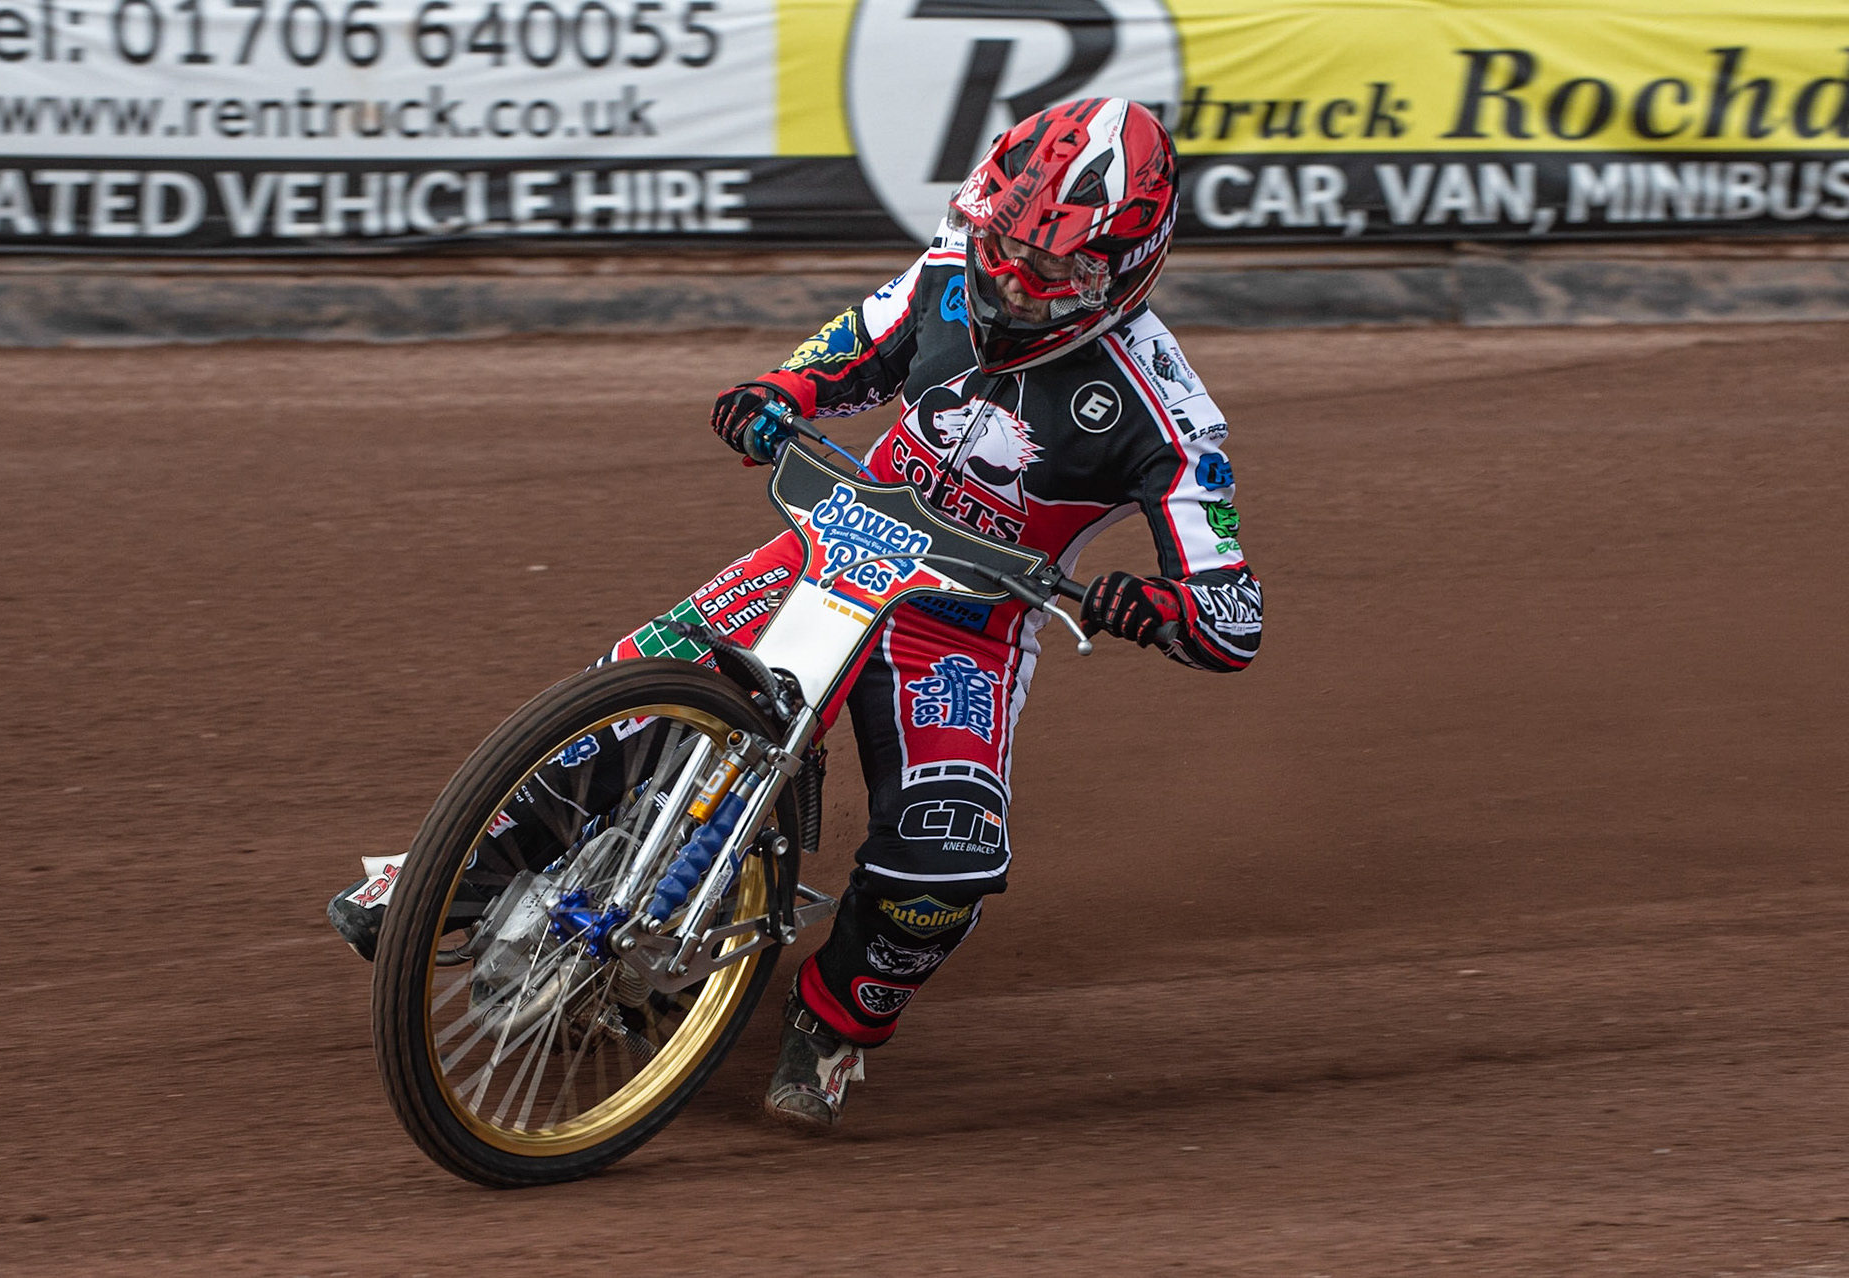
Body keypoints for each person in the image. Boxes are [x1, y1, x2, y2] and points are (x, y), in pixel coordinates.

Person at [330, 96, 1262, 1133]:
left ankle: (837, 1023)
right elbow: (860, 342)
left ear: (1126, 273)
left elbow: (1234, 613)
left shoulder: (1169, 413)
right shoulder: (957, 266)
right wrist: (779, 392)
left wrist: (1164, 605)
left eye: (1048, 272)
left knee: (945, 856)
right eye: (999, 243)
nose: (1008, 278)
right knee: (623, 695)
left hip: (960, 624)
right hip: (833, 540)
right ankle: (443, 879)